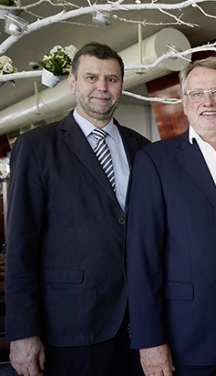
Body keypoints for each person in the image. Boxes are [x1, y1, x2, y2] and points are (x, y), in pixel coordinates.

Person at [5, 42, 150, 376]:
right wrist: (23, 332)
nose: (102, 87)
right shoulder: (37, 147)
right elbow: (21, 246)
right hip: (71, 327)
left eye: (112, 79)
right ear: (72, 83)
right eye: (91, 77)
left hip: (137, 325)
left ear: (121, 86)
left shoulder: (143, 149)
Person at [126, 56, 216, 376]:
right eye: (196, 93)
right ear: (184, 103)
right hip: (186, 340)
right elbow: (142, 259)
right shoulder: (155, 161)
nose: (208, 101)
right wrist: (150, 342)